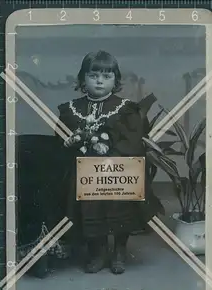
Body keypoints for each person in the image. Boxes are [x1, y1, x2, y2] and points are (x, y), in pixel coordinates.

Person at [56, 50, 163, 274]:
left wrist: (109, 155)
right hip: (84, 172)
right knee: (89, 206)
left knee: (119, 203)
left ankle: (120, 250)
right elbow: (61, 140)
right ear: (83, 79)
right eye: (94, 75)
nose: (100, 81)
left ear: (115, 80)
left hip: (118, 170)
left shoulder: (126, 109)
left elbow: (133, 141)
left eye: (106, 76)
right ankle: (99, 250)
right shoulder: (71, 110)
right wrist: (73, 142)